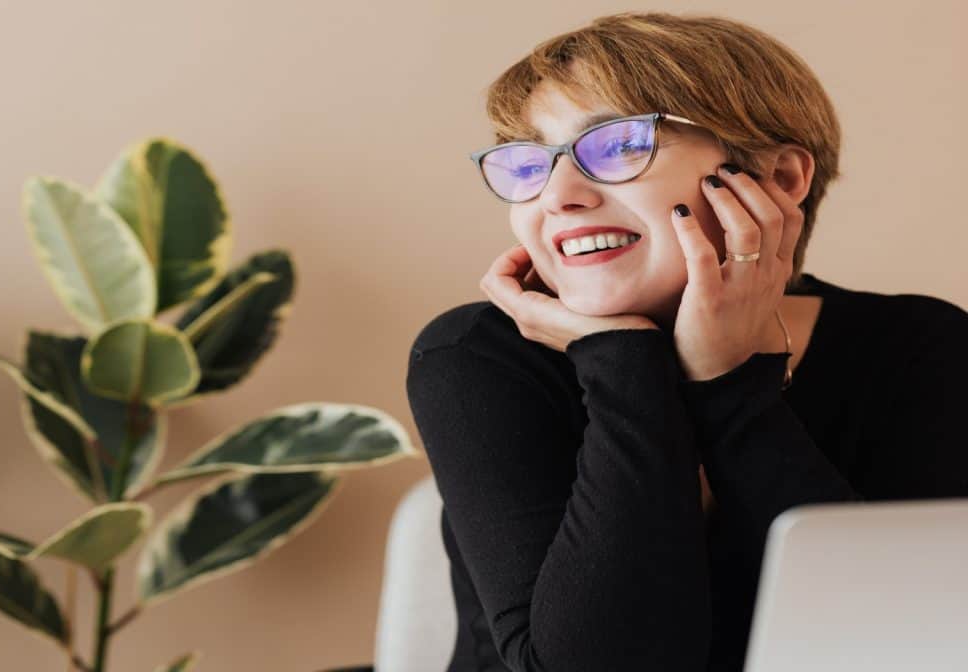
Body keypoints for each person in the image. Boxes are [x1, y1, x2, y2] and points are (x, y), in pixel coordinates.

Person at [404, 10, 968, 672]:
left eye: (616, 146)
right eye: (530, 163)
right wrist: (620, 363)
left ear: (780, 179)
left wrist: (729, 384)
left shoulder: (918, 348)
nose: (558, 196)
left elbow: (909, 642)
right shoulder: (476, 357)